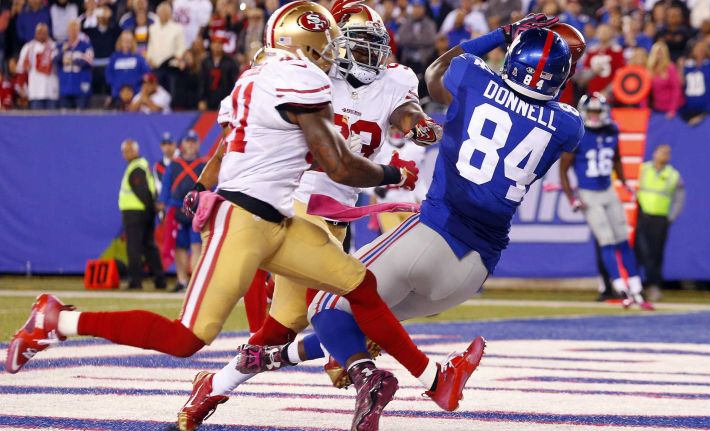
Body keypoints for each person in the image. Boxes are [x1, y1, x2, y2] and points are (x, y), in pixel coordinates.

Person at [6, 9, 478, 424]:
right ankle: (58, 321)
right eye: (327, 46)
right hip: (249, 220)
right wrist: (393, 172)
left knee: (355, 287)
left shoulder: (259, 78)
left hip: (282, 223)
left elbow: (233, 140)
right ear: (306, 47)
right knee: (187, 338)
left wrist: (200, 186)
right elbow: (337, 164)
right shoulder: (303, 79)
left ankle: (433, 379)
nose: (334, 56)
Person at [176, 13, 571, 431]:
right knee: (344, 311)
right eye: (354, 43)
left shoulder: (395, 79)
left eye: (373, 44)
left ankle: (217, 385)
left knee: (297, 324)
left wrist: (416, 126)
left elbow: (408, 108)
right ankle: (411, 378)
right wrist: (208, 183)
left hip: (338, 215)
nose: (366, 54)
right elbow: (252, 134)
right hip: (298, 202)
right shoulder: (303, 76)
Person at [559, 93, 653, 310]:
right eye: (590, 112)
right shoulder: (578, 134)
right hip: (588, 193)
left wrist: (624, 181)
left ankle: (637, 286)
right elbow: (563, 170)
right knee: (606, 240)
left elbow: (617, 158)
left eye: (597, 112)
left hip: (608, 190)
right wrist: (572, 197)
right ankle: (620, 287)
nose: (593, 116)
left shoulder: (612, 130)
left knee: (622, 240)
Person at [635, 144, 684, 302]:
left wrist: (671, 217)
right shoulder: (642, 169)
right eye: (662, 152)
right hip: (641, 216)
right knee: (639, 251)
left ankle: (654, 286)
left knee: (656, 254)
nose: (664, 155)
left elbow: (679, 197)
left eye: (667, 153)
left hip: (660, 218)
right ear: (654, 153)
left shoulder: (673, 174)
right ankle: (634, 285)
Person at [117, 139, 166, 290]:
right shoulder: (141, 166)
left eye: (130, 150)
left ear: (136, 151)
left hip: (135, 213)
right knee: (148, 246)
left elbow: (143, 192)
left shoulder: (136, 168)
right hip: (143, 212)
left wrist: (150, 208)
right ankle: (160, 280)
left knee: (134, 247)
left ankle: (135, 281)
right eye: (125, 151)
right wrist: (151, 209)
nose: (127, 153)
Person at [160, 130, 206, 292]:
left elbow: (211, 188)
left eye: (194, 141)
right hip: (177, 210)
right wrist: (162, 207)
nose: (191, 144)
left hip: (197, 211)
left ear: (198, 144)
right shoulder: (173, 166)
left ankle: (195, 283)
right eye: (188, 141)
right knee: (179, 247)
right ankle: (182, 281)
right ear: (183, 144)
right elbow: (165, 188)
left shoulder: (204, 164)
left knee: (196, 246)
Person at [147, 2, 185, 96]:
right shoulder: (152, 28)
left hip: (171, 67)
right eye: (162, 12)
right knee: (156, 94)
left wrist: (177, 58)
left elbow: (181, 47)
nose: (164, 14)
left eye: (166, 12)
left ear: (170, 13)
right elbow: (150, 46)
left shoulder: (177, 28)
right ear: (157, 13)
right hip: (156, 66)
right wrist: (149, 58)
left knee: (170, 93)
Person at [18, 23, 57, 109]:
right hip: (35, 91)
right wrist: (22, 88)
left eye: (44, 32)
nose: (42, 34)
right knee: (36, 121)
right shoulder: (28, 48)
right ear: (35, 33)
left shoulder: (54, 47)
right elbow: (21, 69)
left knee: (53, 121)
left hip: (51, 90)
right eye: (40, 32)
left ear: (48, 33)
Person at [55, 20, 93, 109]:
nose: (72, 32)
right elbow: (55, 60)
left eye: (74, 30)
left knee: (81, 117)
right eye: (70, 30)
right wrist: (63, 51)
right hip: (65, 86)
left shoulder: (85, 45)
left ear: (78, 31)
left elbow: (89, 61)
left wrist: (73, 60)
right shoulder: (61, 46)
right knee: (65, 118)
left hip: (80, 86)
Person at [84, 5, 121, 97]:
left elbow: (119, 30)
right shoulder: (91, 31)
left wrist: (111, 16)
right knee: (96, 92)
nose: (102, 17)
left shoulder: (112, 31)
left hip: (109, 66)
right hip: (95, 67)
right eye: (100, 13)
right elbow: (81, 29)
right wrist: (87, 16)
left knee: (109, 91)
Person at [106, 31, 151, 106]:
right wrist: (118, 87)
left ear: (132, 43)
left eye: (129, 41)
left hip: (136, 94)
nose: (126, 44)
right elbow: (108, 74)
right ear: (120, 42)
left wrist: (142, 78)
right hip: (118, 94)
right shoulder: (114, 57)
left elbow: (147, 72)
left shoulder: (138, 57)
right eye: (124, 41)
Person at [197, 35, 237, 111]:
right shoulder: (206, 62)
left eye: (219, 44)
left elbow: (233, 82)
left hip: (225, 97)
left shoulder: (230, 62)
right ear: (211, 45)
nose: (217, 46)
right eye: (215, 43)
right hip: (209, 98)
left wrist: (231, 99)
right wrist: (201, 99)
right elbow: (202, 82)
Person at [582, 24, 625, 95]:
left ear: (611, 34)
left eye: (606, 31)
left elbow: (620, 74)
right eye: (601, 32)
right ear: (597, 34)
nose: (603, 34)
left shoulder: (617, 51)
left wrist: (608, 91)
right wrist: (593, 72)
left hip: (610, 94)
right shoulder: (591, 51)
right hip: (592, 92)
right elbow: (584, 73)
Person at [647, 40, 682, 118]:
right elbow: (645, 91)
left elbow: (676, 89)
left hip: (671, 109)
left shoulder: (670, 68)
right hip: (657, 108)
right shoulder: (650, 69)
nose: (659, 55)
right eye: (657, 52)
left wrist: (672, 109)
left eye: (661, 52)